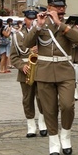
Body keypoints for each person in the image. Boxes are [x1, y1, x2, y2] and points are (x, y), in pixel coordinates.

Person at [24, 0, 78, 155]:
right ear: (49, 8)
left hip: (65, 70)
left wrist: (60, 24)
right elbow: (26, 43)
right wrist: (38, 26)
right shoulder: (40, 24)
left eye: (62, 7)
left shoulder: (69, 24)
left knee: (67, 105)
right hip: (44, 72)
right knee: (48, 109)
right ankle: (53, 141)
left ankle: (65, 134)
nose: (60, 9)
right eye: (57, 7)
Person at [10, 8, 47, 138]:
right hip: (26, 70)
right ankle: (31, 125)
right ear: (25, 20)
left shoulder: (43, 32)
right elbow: (14, 57)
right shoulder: (18, 35)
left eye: (34, 19)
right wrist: (21, 66)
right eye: (29, 19)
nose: (31, 21)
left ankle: (43, 123)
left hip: (41, 69)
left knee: (42, 98)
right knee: (27, 99)